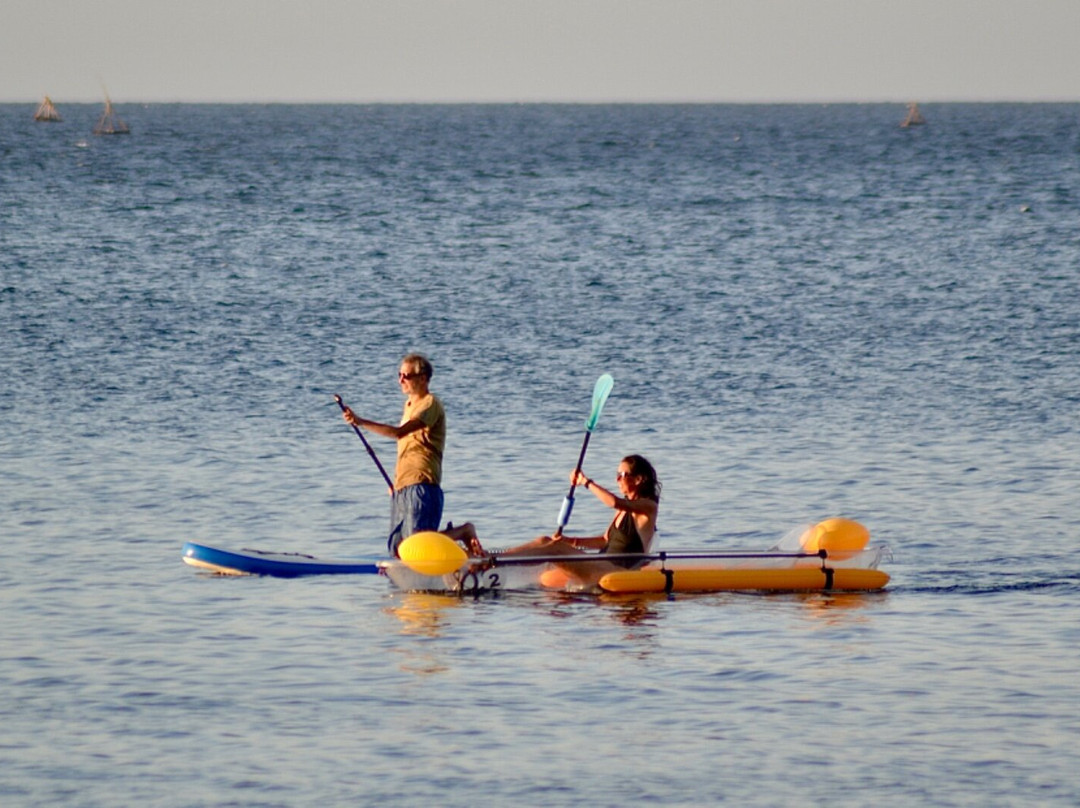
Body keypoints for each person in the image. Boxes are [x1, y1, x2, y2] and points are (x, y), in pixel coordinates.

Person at [341, 353, 475, 557]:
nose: (400, 380)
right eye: (399, 375)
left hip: (422, 484)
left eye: (406, 376)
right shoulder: (409, 406)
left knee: (417, 545)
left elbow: (399, 433)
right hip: (402, 486)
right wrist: (396, 483)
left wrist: (361, 421)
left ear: (422, 378)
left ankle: (463, 531)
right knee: (397, 549)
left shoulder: (431, 404)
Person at [470, 454, 661, 584]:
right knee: (547, 541)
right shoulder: (624, 508)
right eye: (617, 475)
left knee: (555, 550)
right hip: (603, 563)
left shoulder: (648, 507)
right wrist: (570, 541)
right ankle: (492, 556)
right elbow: (604, 540)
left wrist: (585, 482)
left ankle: (493, 563)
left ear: (638, 479)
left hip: (618, 571)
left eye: (623, 475)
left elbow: (613, 502)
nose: (617, 479)